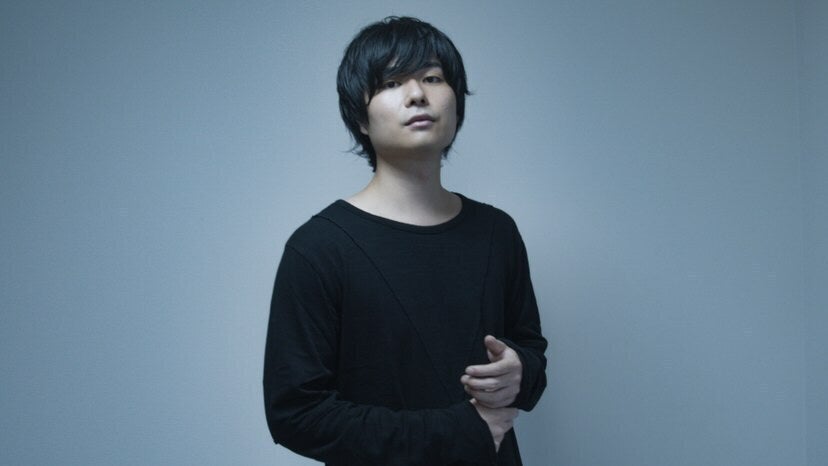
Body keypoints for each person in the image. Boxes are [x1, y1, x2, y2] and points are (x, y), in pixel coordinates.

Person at [263, 16, 547, 465]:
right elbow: (295, 413)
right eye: (392, 82)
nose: (417, 94)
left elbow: (530, 349)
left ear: (456, 103)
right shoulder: (318, 248)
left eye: (433, 78)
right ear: (360, 116)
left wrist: (520, 372)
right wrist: (457, 431)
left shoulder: (497, 232)